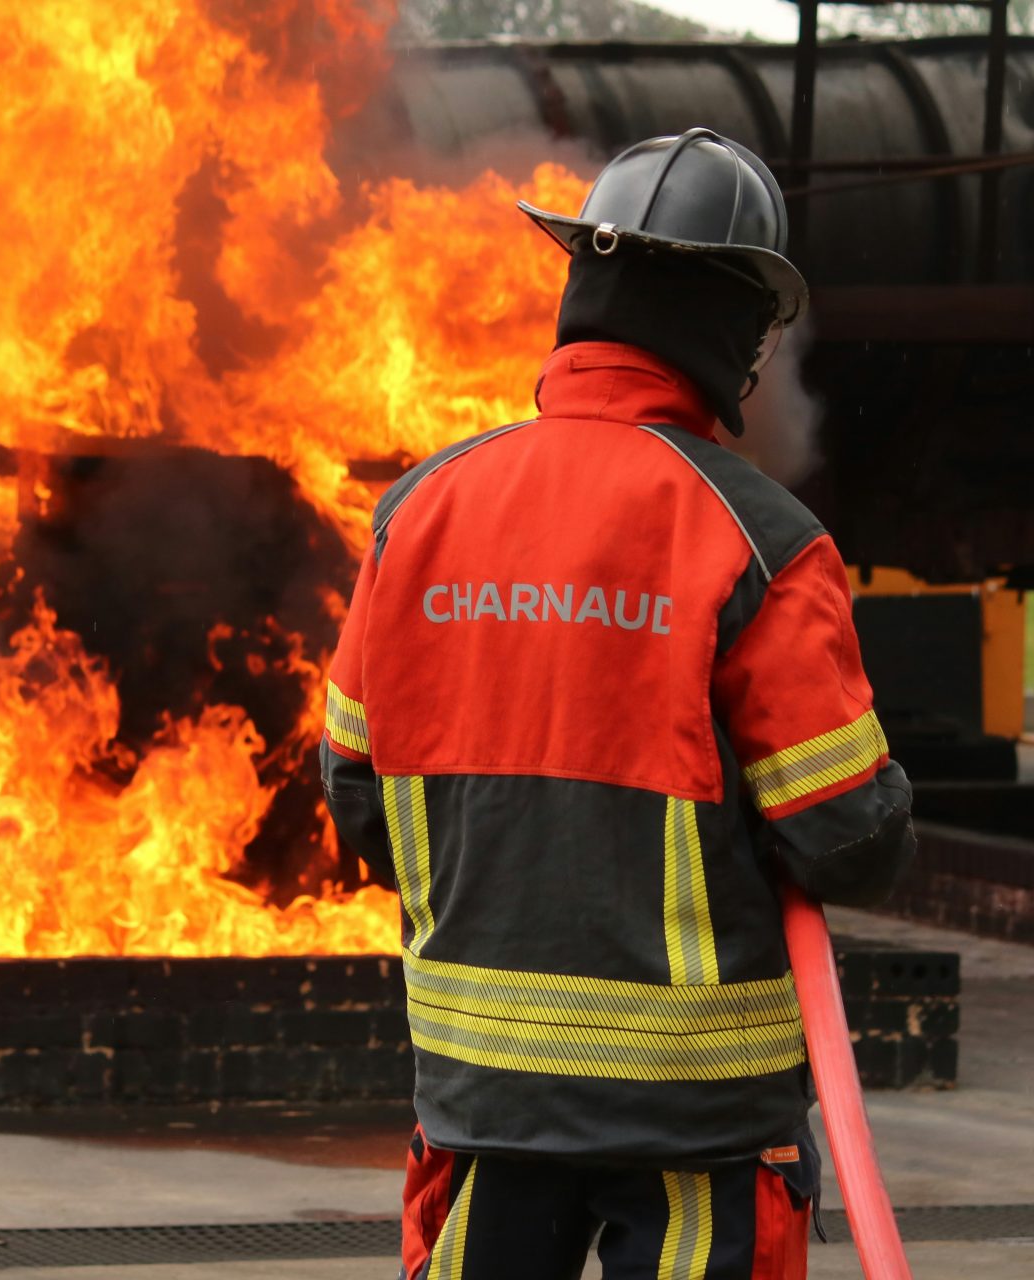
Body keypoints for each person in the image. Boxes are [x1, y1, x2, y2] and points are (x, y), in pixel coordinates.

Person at [320, 128, 916, 1280]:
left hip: (478, 1101)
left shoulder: (417, 512)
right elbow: (847, 835)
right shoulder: (764, 540)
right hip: (695, 1125)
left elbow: (353, 798)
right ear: (733, 326)